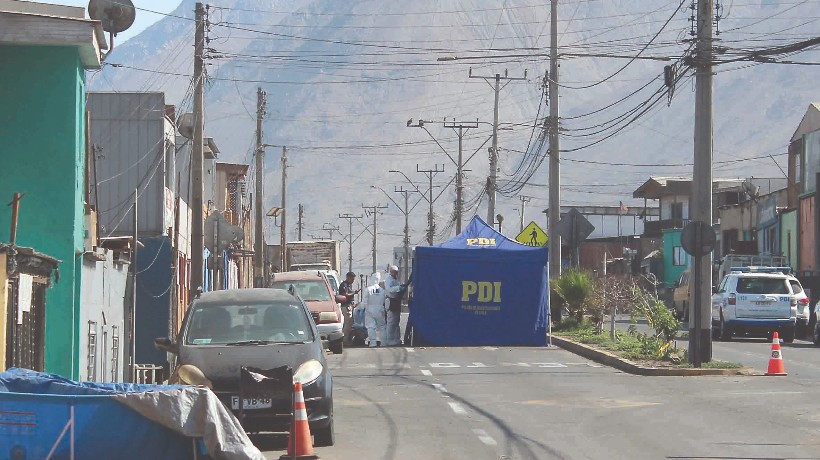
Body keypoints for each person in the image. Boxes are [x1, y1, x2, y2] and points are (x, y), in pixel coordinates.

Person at [362, 272, 387, 347]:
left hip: (370, 309)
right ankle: (384, 342)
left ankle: (373, 342)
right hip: (380, 309)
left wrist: (362, 309)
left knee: (371, 327)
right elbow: (385, 301)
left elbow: (364, 302)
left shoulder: (368, 289)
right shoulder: (382, 290)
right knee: (382, 327)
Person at [383, 265, 403, 346]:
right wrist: (398, 288)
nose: (396, 273)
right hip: (391, 301)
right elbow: (389, 290)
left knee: (396, 321)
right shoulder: (388, 280)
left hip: (396, 300)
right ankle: (389, 339)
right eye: (394, 271)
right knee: (391, 322)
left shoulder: (395, 279)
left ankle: (396, 338)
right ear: (391, 271)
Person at [338, 271, 359, 346]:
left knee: (350, 323)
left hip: (349, 305)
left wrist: (353, 301)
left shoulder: (349, 285)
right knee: (347, 323)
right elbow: (345, 294)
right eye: (352, 279)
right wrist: (354, 293)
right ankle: (344, 340)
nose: (353, 281)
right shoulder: (344, 285)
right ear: (348, 277)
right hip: (345, 306)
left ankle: (347, 339)